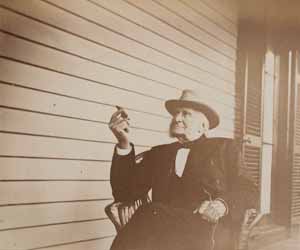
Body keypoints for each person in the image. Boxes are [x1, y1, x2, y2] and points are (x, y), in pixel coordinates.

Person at [108, 89, 257, 250]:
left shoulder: (224, 148)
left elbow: (249, 190)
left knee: (151, 213)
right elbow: (124, 192)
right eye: (176, 114)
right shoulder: (159, 154)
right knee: (152, 213)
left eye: (186, 114)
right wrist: (123, 143)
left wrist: (223, 204)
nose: (177, 118)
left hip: (209, 232)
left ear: (203, 125)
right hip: (164, 232)